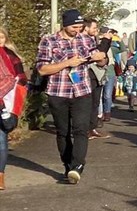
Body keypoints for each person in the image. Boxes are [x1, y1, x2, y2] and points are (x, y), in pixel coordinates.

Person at [35, 9, 106, 183]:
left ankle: (77, 165)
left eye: (80, 26)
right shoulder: (49, 41)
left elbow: (101, 60)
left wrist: (100, 58)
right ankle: (68, 165)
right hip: (58, 92)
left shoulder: (86, 39)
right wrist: (67, 63)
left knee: (81, 129)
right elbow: (42, 69)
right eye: (74, 27)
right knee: (63, 131)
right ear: (65, 25)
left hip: (82, 91)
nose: (77, 30)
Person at [0, 26, 25, 192]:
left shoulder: (12, 57)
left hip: (5, 103)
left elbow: (20, 80)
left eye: (1, 38)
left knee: (1, 139)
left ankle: (0, 175)